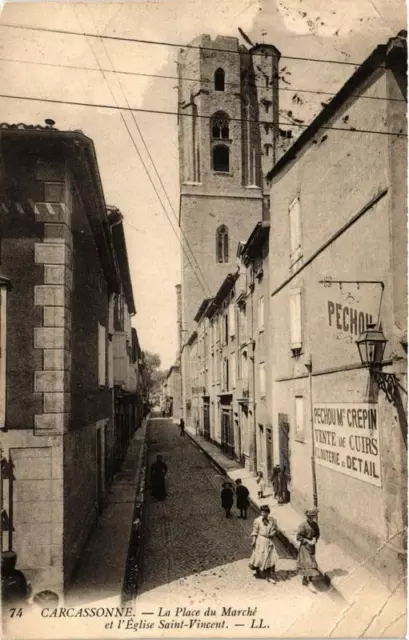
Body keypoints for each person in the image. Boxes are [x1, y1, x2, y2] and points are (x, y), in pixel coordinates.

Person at [249, 505, 279, 583]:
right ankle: (258, 571)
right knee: (259, 557)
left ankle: (268, 576)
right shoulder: (257, 520)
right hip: (260, 540)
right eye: (262, 512)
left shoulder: (272, 520)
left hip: (269, 541)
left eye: (265, 512)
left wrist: (273, 533)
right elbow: (255, 531)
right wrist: (253, 541)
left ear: (268, 512)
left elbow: (276, 529)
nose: (263, 514)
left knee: (270, 558)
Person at [297, 507, 320, 593]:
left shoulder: (315, 525)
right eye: (310, 516)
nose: (312, 517)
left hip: (312, 547)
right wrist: (307, 540)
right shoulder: (303, 525)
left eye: (313, 516)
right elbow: (298, 537)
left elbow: (317, 534)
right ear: (307, 516)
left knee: (311, 564)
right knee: (308, 564)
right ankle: (310, 582)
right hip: (305, 547)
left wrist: (315, 539)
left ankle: (305, 579)